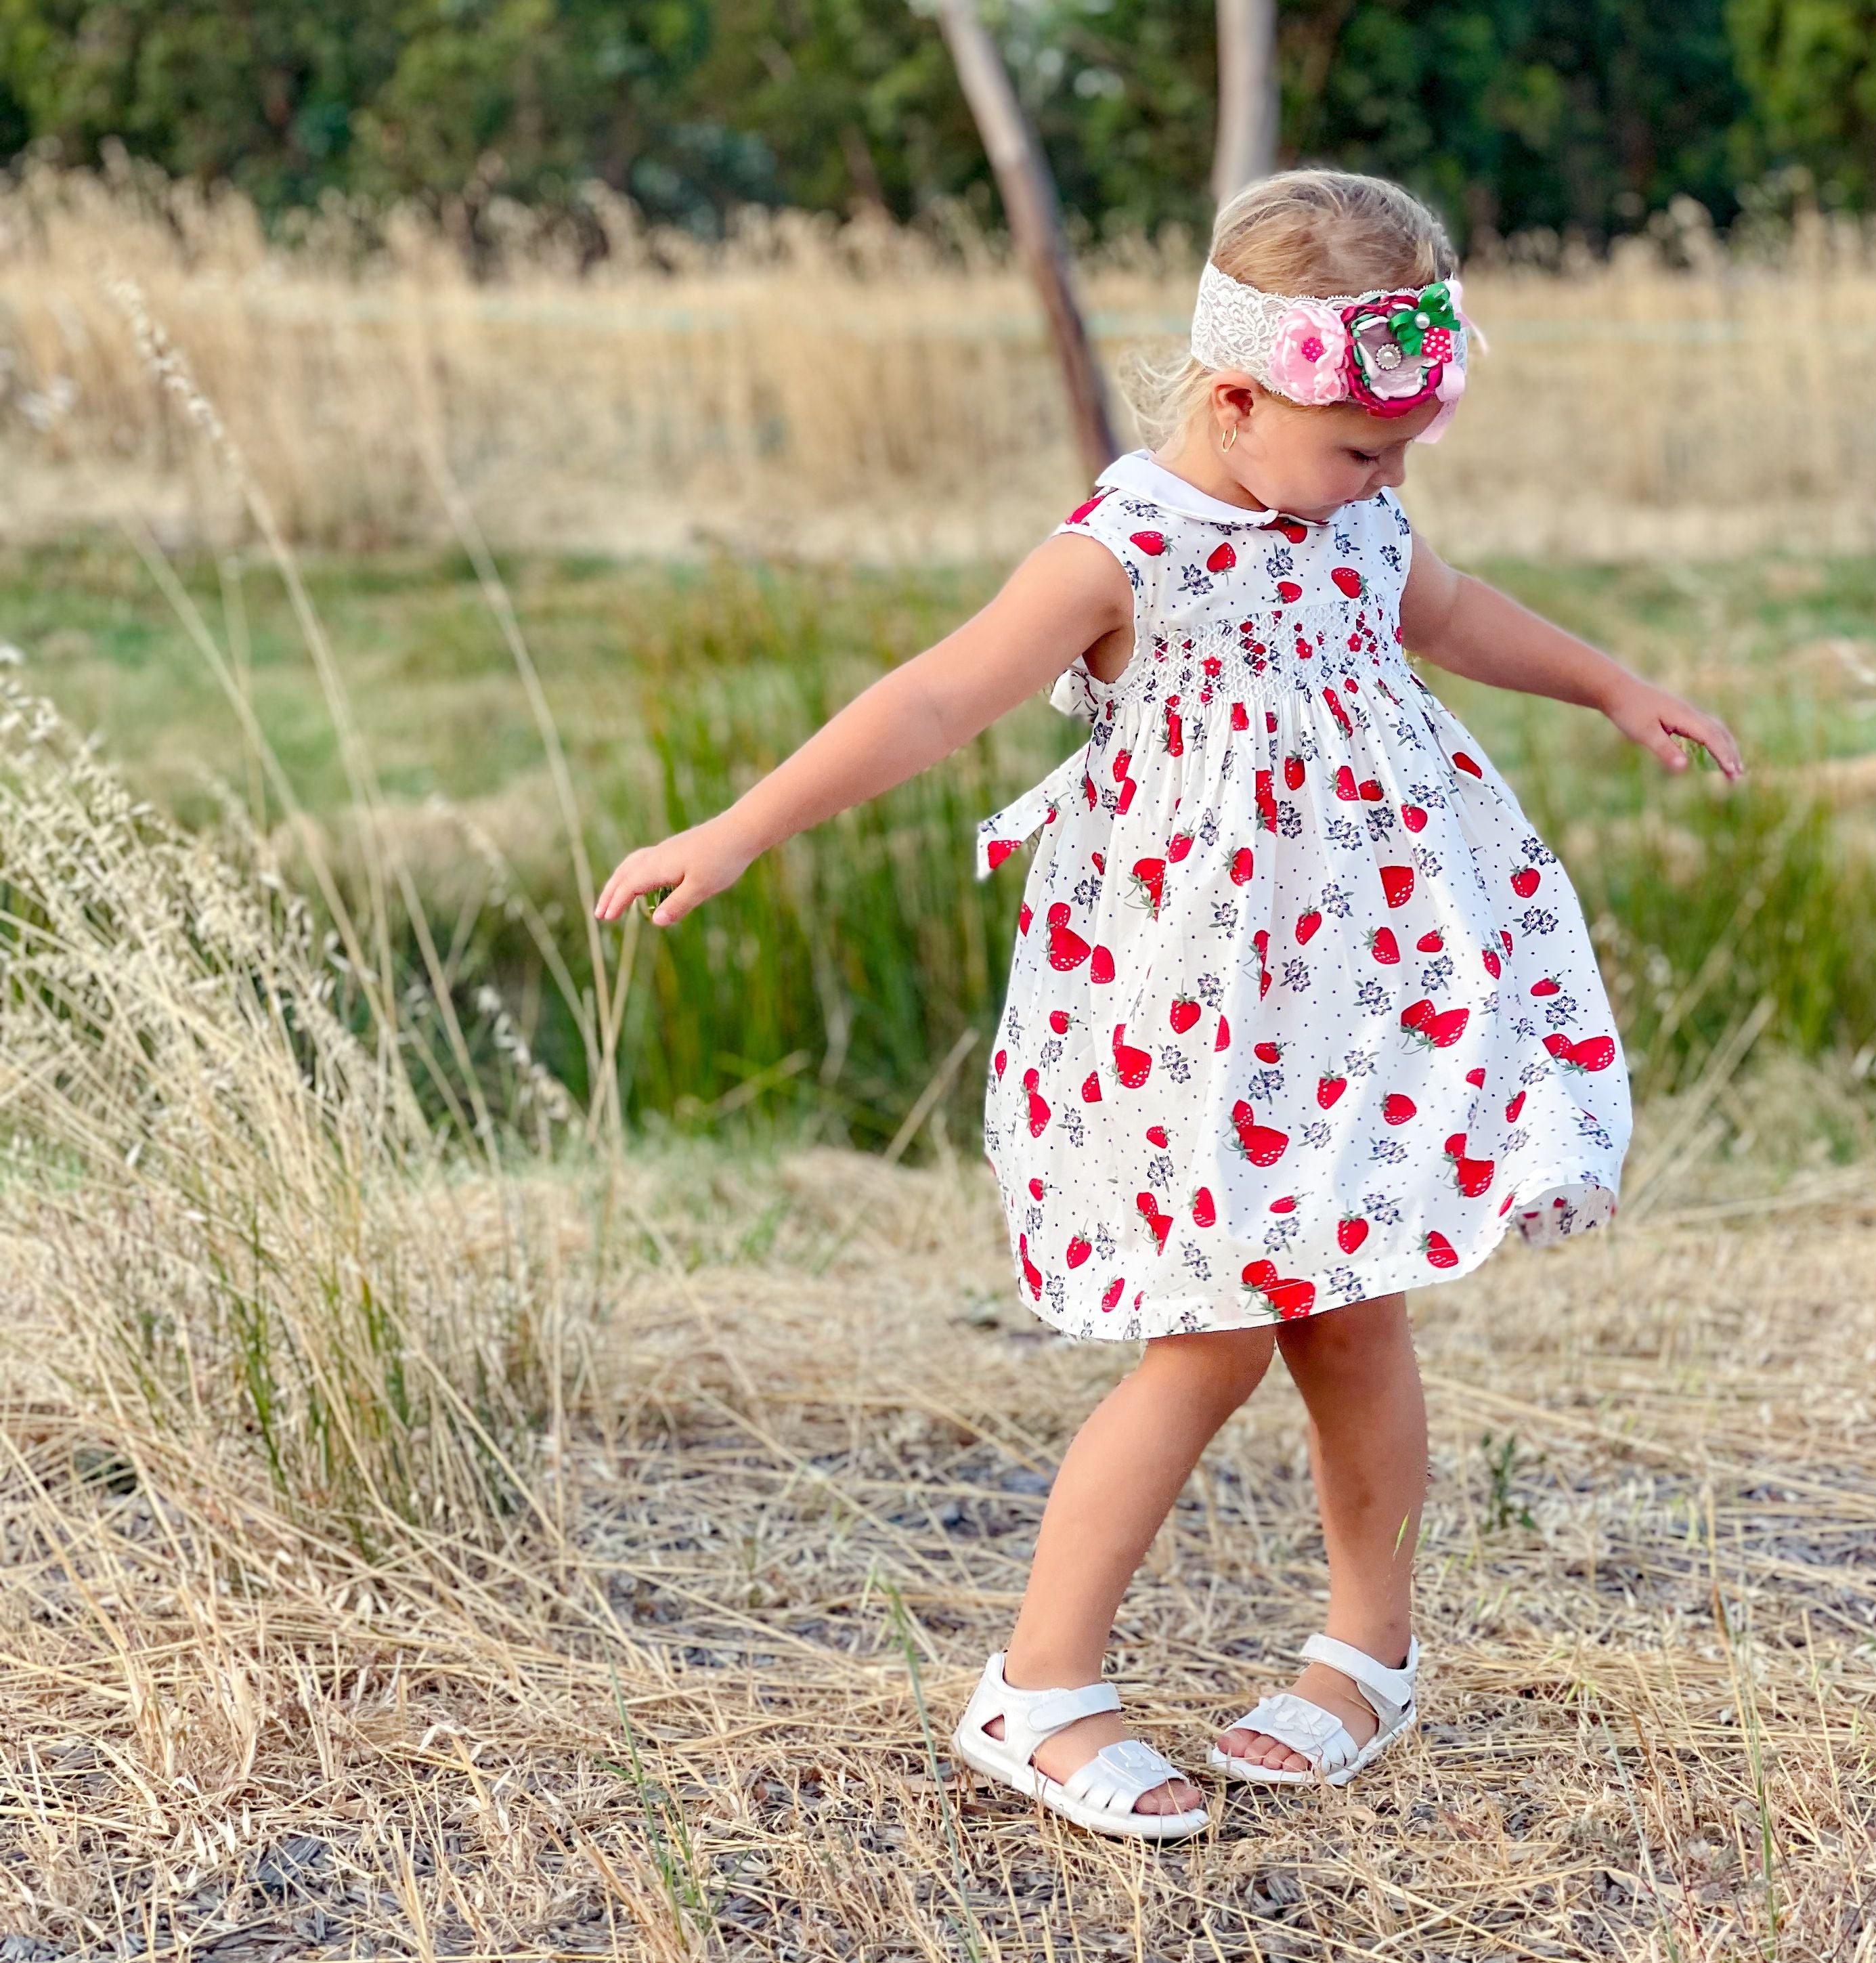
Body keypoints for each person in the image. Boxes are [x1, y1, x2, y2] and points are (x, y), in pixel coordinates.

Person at [595, 168, 1742, 1838]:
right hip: (1196, 1011)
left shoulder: (1351, 521)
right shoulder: (1126, 549)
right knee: (1206, 1336)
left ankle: (1371, 1648)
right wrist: (739, 825)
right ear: (1232, 397)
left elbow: (1453, 613)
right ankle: (1038, 1687)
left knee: (1360, 1305)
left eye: (1406, 452)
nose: (1388, 484)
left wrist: (1616, 684)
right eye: (1362, 448)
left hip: (1364, 1000)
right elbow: (932, 697)